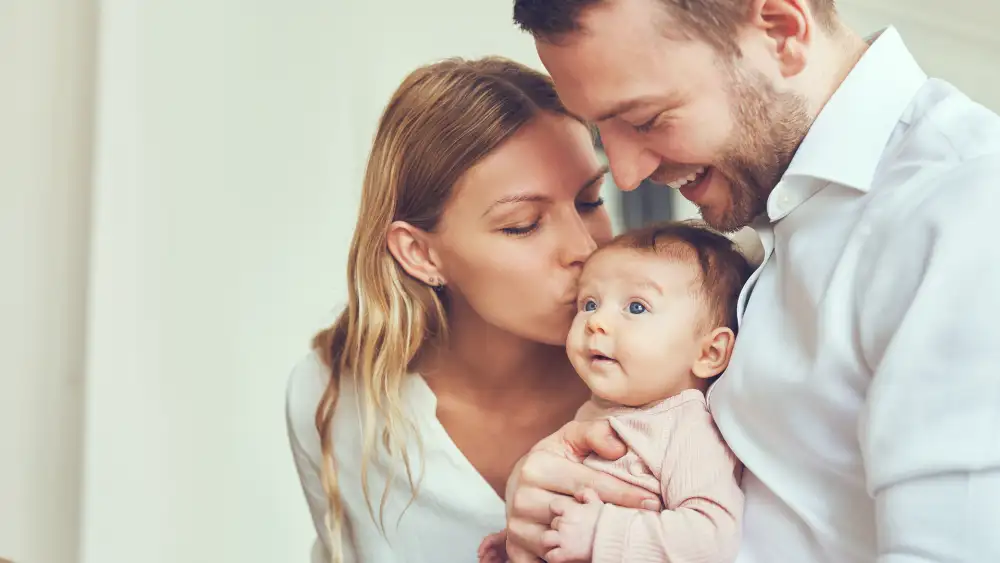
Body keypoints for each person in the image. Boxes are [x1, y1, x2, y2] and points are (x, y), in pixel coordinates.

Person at [506, 0, 1000, 561]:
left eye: (646, 119)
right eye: (602, 129)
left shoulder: (968, 210)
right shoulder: (777, 210)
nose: (626, 172)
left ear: (782, 31)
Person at [284, 56, 669, 563]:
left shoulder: (674, 367)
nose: (584, 247)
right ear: (420, 253)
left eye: (590, 201)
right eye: (523, 224)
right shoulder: (332, 397)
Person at [478, 221, 752, 563]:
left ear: (708, 353)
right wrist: (531, 540)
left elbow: (711, 539)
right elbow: (573, 510)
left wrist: (599, 533)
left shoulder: (688, 428)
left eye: (636, 307)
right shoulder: (596, 415)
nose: (596, 322)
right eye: (589, 303)